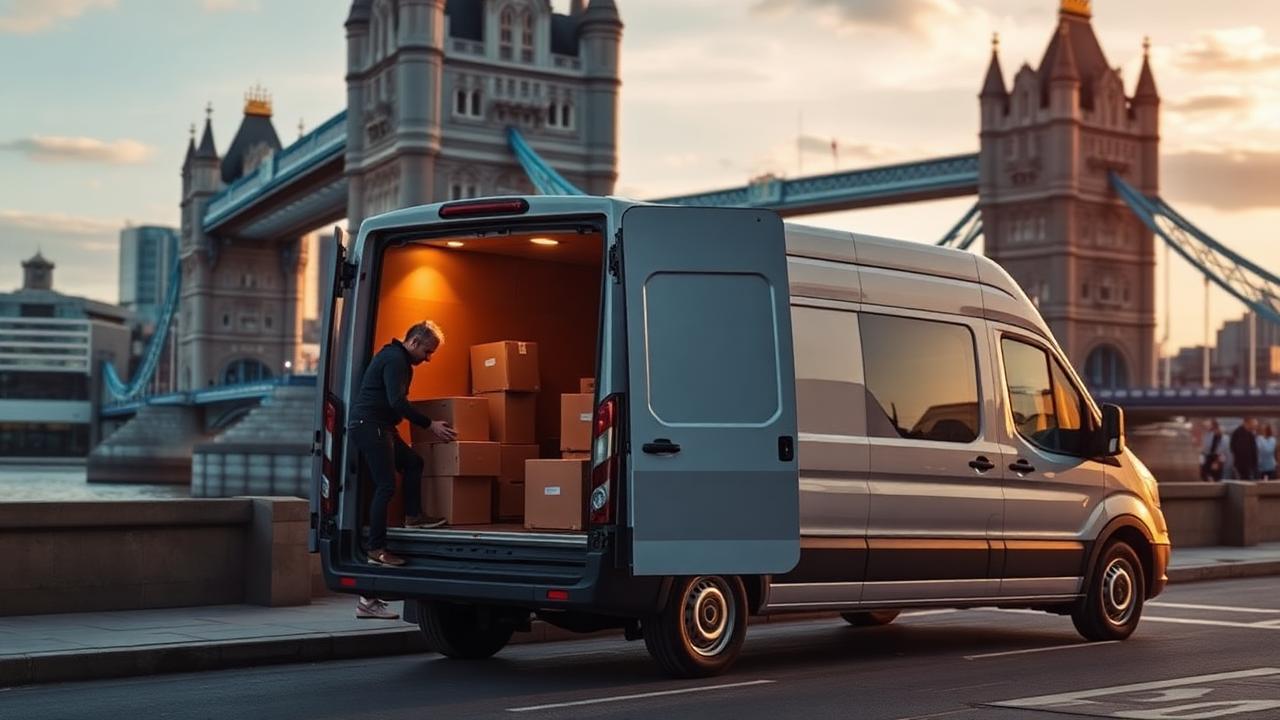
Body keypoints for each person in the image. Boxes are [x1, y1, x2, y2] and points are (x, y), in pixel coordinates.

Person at [349, 321, 457, 619]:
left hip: (379, 426)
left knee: (413, 463)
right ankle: (377, 549)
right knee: (386, 486)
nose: (428, 358)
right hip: (371, 426)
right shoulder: (395, 359)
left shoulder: (394, 358)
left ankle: (413, 517)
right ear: (413, 342)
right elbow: (397, 402)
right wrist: (429, 424)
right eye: (427, 351)